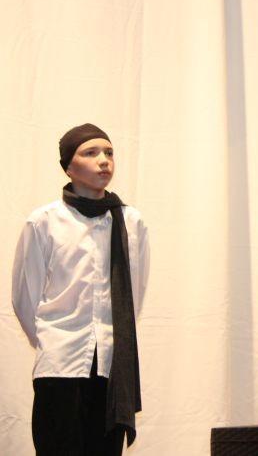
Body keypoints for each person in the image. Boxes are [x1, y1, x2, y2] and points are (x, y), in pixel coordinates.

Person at [12, 123, 150, 455]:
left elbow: (136, 292)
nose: (104, 160)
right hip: (60, 363)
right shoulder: (44, 221)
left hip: (111, 364)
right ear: (69, 167)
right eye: (91, 152)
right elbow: (25, 296)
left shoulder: (130, 222)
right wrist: (52, 339)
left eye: (109, 152)